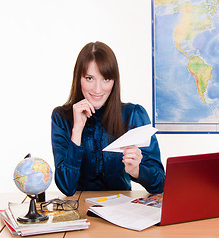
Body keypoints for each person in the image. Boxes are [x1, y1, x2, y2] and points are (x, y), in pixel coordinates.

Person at [51, 41, 165, 196]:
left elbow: (160, 185)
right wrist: (77, 129)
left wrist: (137, 170)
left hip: (122, 211)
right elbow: (66, 187)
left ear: (114, 81)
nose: (98, 89)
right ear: (79, 78)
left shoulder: (133, 114)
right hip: (80, 212)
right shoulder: (62, 117)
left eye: (105, 79)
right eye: (90, 78)